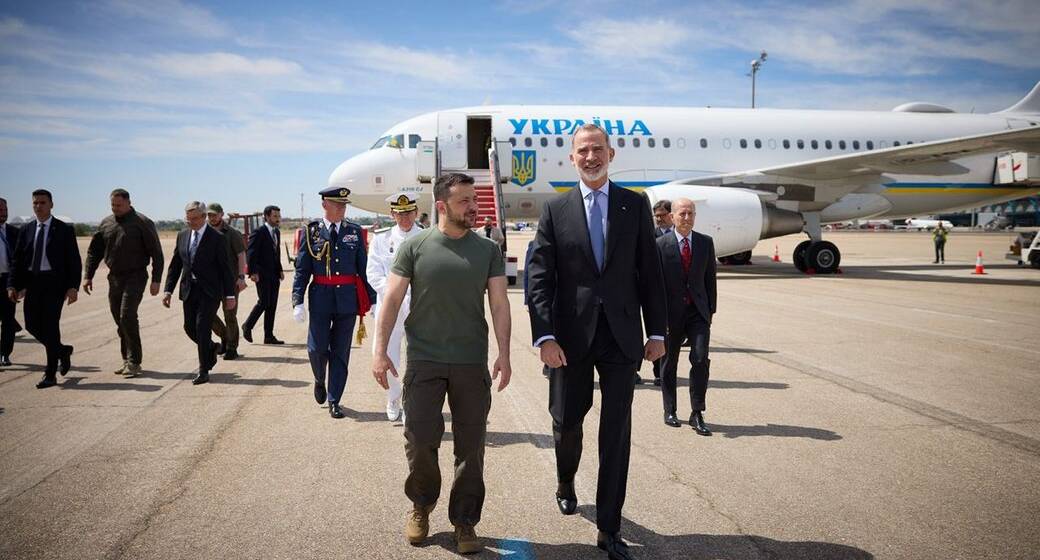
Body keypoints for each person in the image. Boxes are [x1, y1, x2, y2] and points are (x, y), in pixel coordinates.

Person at [527, 124, 666, 560]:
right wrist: (545, 335)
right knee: (568, 421)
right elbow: (539, 277)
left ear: (612, 153)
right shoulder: (555, 210)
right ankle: (566, 477)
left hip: (622, 336)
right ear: (572, 158)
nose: (591, 157)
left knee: (616, 433)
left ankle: (609, 528)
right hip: (569, 338)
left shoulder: (635, 205)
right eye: (583, 151)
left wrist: (657, 331)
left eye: (597, 150)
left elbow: (650, 271)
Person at [371, 172, 511, 555]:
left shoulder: (488, 250)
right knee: (419, 441)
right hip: (424, 359)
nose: (473, 205)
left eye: (474, 199)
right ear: (442, 206)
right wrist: (380, 350)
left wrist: (505, 352)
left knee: (470, 447)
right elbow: (393, 300)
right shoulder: (414, 247)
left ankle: (465, 521)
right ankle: (421, 504)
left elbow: (499, 303)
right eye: (465, 200)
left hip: (470, 361)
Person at [292, 187, 376, 419]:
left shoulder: (354, 231)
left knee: (340, 353)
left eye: (344, 205)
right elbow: (302, 270)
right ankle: (320, 378)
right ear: (324, 205)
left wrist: (373, 300)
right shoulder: (311, 232)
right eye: (336, 204)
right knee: (316, 348)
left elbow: (364, 268)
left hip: (347, 300)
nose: (341, 208)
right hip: (320, 297)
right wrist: (297, 300)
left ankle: (334, 399)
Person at [83, 189, 164, 377]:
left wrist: (156, 280)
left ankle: (135, 361)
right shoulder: (106, 223)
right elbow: (94, 251)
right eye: (113, 205)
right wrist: (88, 275)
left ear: (128, 203)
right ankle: (126, 358)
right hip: (115, 277)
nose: (115, 209)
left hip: (136, 276)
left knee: (127, 315)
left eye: (119, 205)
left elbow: (157, 254)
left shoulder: (142, 223)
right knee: (119, 320)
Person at [7, 189, 82, 388]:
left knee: (50, 325)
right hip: (33, 283)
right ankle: (62, 350)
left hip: (54, 284)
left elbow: (74, 260)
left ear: (51, 205)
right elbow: (17, 260)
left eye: (42, 202)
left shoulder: (63, 230)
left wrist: (73, 287)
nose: (38, 206)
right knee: (31, 325)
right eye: (35, 203)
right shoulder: (26, 229)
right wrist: (13, 284)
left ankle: (50, 374)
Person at [656, 198, 717, 435]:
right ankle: (670, 409)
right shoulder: (661, 245)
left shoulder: (704, 243)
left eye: (691, 213)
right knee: (669, 362)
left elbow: (710, 279)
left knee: (700, 359)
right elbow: (656, 286)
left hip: (698, 314)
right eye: (682, 213)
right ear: (672, 217)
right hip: (671, 315)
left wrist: (710, 311)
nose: (687, 218)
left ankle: (697, 412)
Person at [162, 201, 236, 385]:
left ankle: (204, 370)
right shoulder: (182, 235)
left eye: (195, 218)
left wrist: (229, 295)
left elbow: (225, 269)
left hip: (209, 292)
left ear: (204, 217)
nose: (191, 222)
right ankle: (211, 348)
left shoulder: (217, 238)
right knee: (189, 327)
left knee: (203, 328)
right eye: (188, 219)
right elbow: (176, 265)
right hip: (189, 289)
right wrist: (168, 290)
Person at [367, 192, 422, 422]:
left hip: (419, 306)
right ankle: (393, 395)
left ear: (416, 212)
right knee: (384, 355)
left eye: (408, 212)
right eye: (399, 214)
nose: (405, 218)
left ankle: (411, 402)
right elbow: (373, 273)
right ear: (392, 214)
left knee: (418, 358)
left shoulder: (427, 236)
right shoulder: (381, 238)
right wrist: (393, 294)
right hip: (390, 307)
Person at [206, 203, 247, 360]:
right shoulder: (205, 232)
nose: (212, 218)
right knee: (207, 314)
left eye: (214, 215)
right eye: (209, 215)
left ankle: (231, 347)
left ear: (221, 214)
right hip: (210, 282)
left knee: (230, 315)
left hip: (229, 282)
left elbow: (241, 255)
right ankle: (224, 336)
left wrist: (241, 277)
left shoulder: (231, 233)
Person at [243, 205, 284, 345]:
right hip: (262, 273)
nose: (278, 219)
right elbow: (251, 253)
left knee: (272, 305)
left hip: (274, 274)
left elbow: (276, 253)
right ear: (267, 217)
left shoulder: (276, 232)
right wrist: (252, 272)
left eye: (279, 216)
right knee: (264, 302)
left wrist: (280, 269)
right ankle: (247, 325)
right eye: (275, 216)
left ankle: (269, 335)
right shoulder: (259, 232)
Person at [0, 197, 23, 367]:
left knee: (8, 319)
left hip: (9, 282)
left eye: (5, 210)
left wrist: (20, 285)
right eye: (0, 210)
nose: (4, 213)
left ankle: (4, 354)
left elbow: (22, 260)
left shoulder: (15, 233)